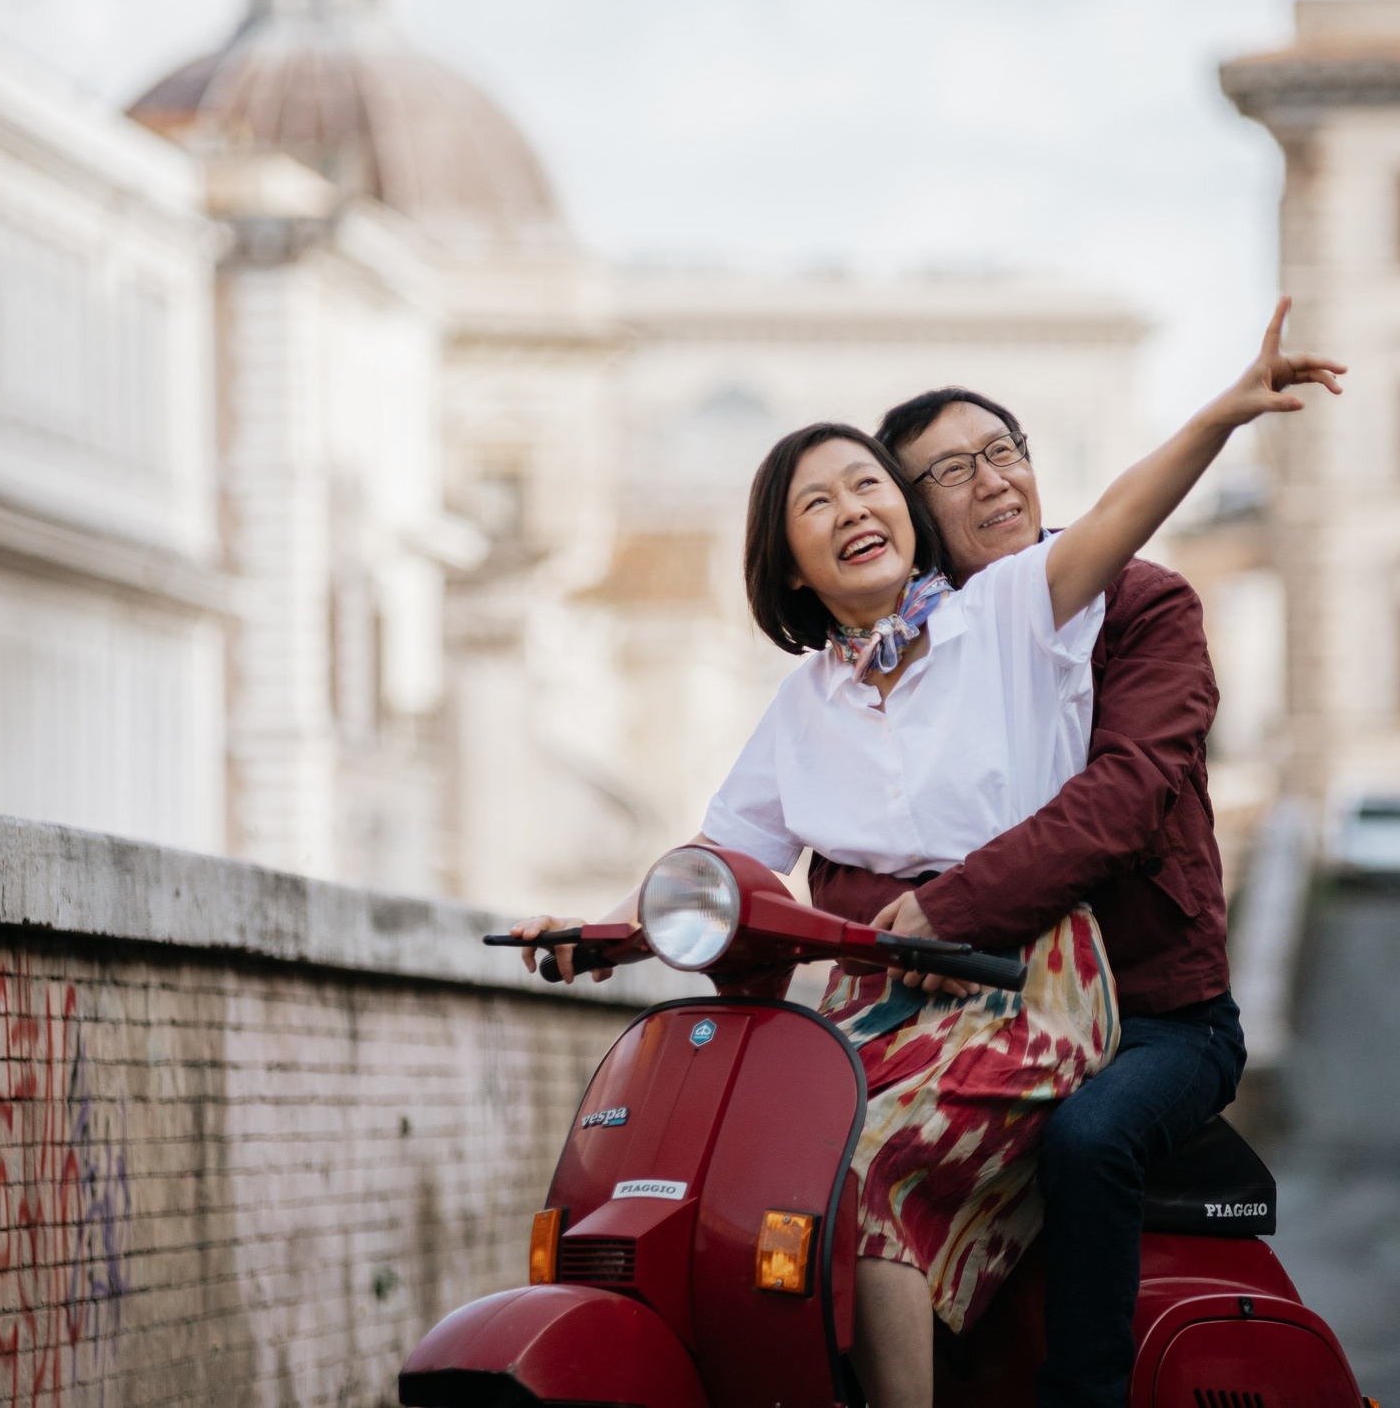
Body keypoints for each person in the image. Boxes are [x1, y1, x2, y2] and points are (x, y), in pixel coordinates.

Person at [518, 301, 1342, 1408]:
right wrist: (604, 934)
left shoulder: (1008, 615)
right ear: (791, 560)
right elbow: (720, 861)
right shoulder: (804, 704)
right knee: (767, 1168)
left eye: (867, 486)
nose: (854, 508)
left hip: (1030, 986)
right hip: (883, 1000)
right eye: (820, 501)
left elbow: (1118, 542)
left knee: (858, 1169)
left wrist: (1226, 412)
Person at [815, 379, 1274, 1408]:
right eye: (951, 470)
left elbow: (1125, 799)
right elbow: (846, 844)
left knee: (1090, 1137)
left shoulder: (1144, 605)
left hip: (1161, 1021)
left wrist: (946, 908)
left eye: (1004, 450)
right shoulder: (907, 662)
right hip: (971, 1007)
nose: (994, 481)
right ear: (911, 513)